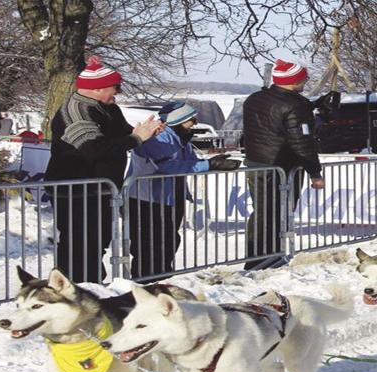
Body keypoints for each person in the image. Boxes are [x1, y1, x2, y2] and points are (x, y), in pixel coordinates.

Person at [44, 56, 163, 285]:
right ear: (98, 88)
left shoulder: (109, 108)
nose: (117, 92)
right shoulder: (76, 111)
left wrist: (145, 132)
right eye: (115, 87)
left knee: (98, 241)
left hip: (101, 190)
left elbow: (123, 135)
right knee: (78, 244)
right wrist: (136, 138)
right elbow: (92, 149)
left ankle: (92, 286)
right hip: (76, 191)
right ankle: (74, 288)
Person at [125, 101, 240, 280]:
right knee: (150, 245)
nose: (195, 123)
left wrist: (213, 162)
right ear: (178, 120)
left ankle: (162, 278)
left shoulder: (181, 138)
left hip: (170, 197)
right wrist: (208, 165)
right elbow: (165, 166)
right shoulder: (159, 138)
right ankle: (146, 281)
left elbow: (189, 162)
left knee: (169, 242)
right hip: (148, 199)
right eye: (190, 119)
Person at [239, 59, 324, 269]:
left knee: (262, 211)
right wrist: (315, 172)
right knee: (277, 213)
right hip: (282, 166)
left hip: (256, 162)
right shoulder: (295, 105)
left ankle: (258, 257)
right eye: (304, 78)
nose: (306, 81)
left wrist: (312, 105)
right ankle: (267, 258)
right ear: (295, 80)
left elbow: (277, 114)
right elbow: (301, 142)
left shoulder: (255, 98)